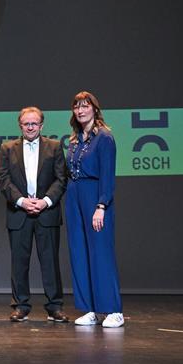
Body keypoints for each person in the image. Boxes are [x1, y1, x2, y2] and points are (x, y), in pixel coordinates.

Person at [0, 107, 68, 323]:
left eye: (34, 123)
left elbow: (61, 178)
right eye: (26, 123)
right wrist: (22, 201)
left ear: (41, 125)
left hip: (47, 212)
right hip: (19, 212)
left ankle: (54, 307)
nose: (30, 127)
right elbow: (4, 179)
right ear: (20, 125)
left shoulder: (54, 146)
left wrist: (45, 201)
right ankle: (20, 306)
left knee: (50, 261)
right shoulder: (8, 148)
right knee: (19, 262)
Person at [65, 91, 124, 328]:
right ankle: (89, 309)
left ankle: (112, 310)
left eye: (85, 106)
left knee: (100, 253)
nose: (80, 111)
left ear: (94, 109)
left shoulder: (105, 138)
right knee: (79, 252)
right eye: (77, 107)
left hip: (95, 198)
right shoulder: (75, 140)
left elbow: (107, 177)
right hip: (74, 197)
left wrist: (101, 205)